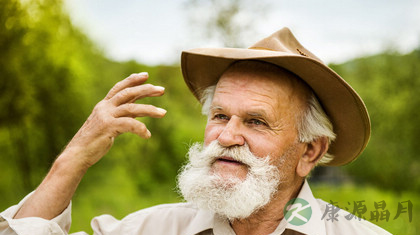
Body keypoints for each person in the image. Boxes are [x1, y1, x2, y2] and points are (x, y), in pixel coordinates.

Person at [0, 27, 390, 235]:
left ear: (309, 152)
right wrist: (74, 158)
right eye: (220, 116)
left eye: (255, 121)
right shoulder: (150, 230)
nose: (226, 136)